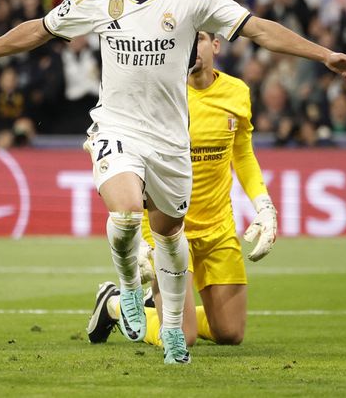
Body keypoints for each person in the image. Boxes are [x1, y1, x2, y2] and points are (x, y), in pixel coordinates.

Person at [0, 0, 346, 364]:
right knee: (123, 215)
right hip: (117, 129)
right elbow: (38, 31)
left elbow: (258, 29)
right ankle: (127, 285)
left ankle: (166, 326)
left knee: (172, 242)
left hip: (169, 142)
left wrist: (326, 56)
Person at [86, 31, 276, 350]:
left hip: (218, 227)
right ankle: (114, 305)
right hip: (169, 225)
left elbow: (242, 153)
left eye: (199, 39)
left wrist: (264, 205)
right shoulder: (159, 93)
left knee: (230, 333)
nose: (191, 48)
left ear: (216, 44)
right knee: (182, 337)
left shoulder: (237, 92)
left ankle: (136, 305)